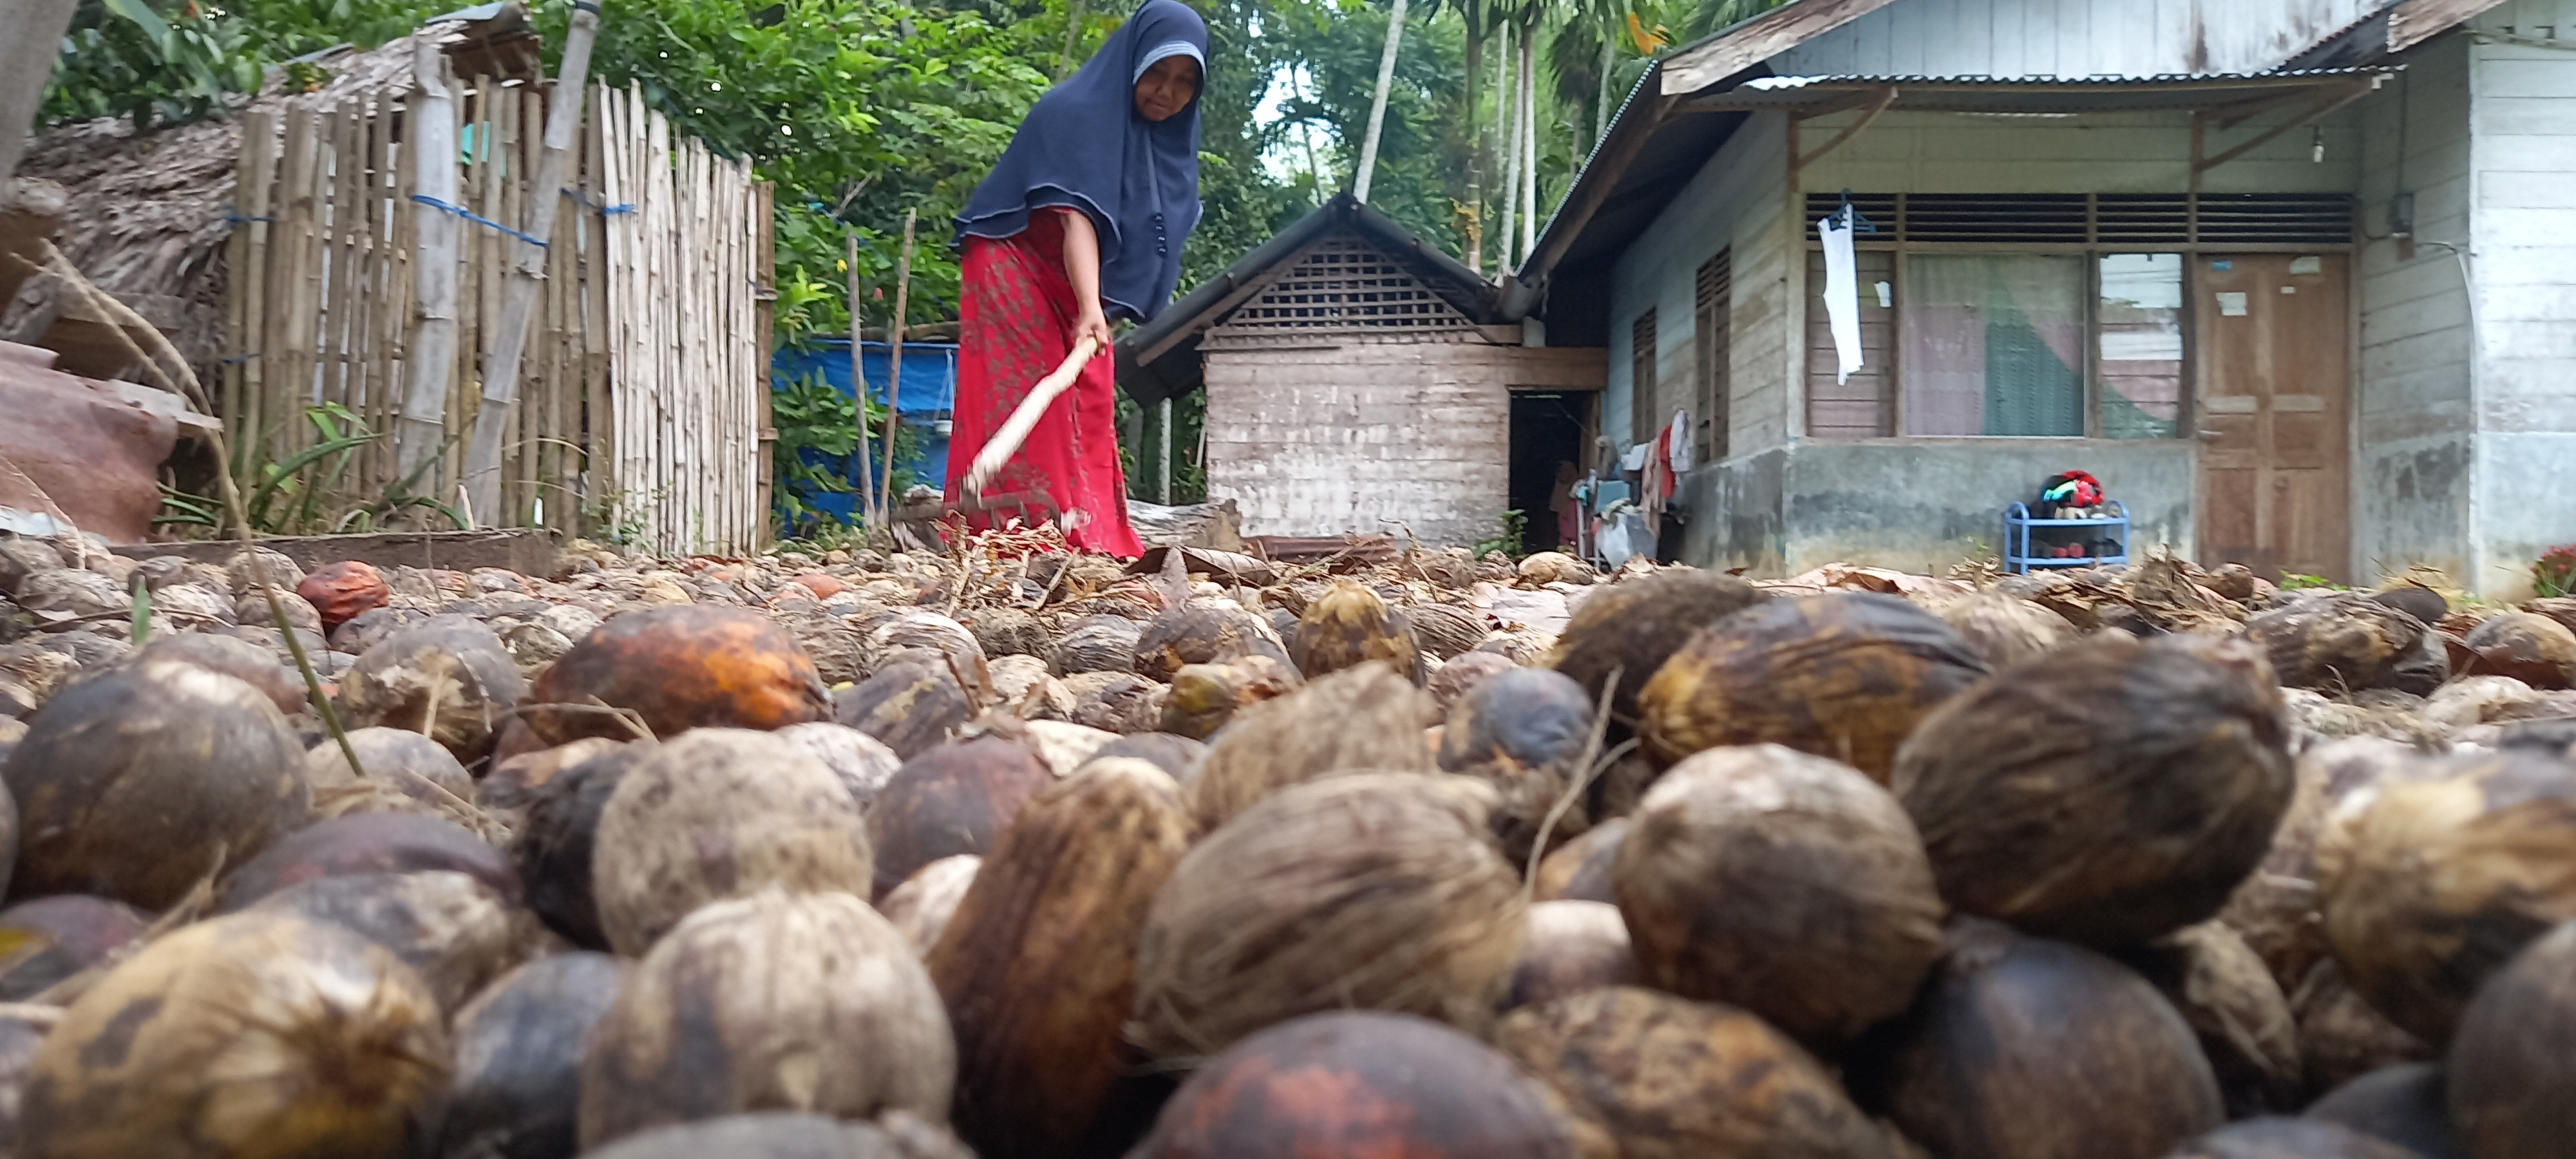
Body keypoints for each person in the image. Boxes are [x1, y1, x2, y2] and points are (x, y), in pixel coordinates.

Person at [944, 0, 1206, 559]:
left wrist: (1097, 310)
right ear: (1132, 63)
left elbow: (1147, 240)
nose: (1167, 90)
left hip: (1076, 282)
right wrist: (1090, 303)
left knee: (1089, 393)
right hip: (1012, 257)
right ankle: (1011, 544)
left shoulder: (1167, 150)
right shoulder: (1074, 113)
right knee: (1023, 384)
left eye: (1185, 81)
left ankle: (1092, 541)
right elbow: (1078, 215)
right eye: (1157, 72)